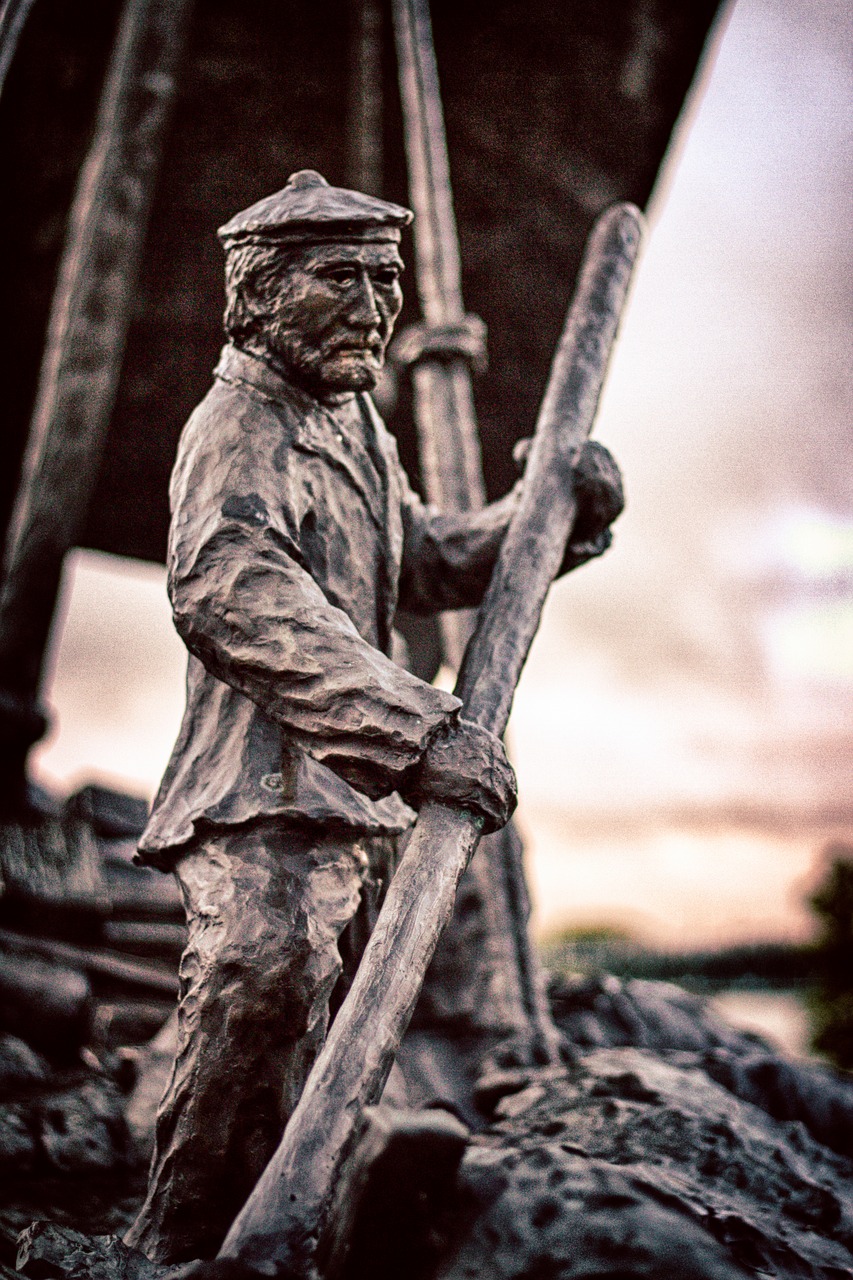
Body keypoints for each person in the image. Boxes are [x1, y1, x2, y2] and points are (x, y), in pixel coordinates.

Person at [126, 170, 623, 1263]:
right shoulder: (238, 424)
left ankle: (290, 1223)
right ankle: (172, 1242)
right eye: (340, 277)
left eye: (386, 280)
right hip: (258, 789)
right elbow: (229, 590)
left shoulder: (349, 420)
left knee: (312, 1015)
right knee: (255, 982)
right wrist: (417, 731)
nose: (374, 306)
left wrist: (546, 516)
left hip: (348, 793)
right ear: (257, 293)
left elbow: (426, 558)